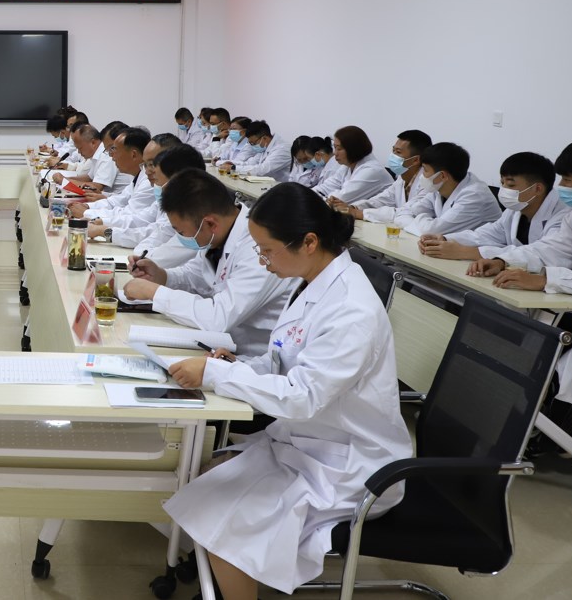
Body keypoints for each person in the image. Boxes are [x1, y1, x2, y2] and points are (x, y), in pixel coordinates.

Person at [162, 182, 413, 599]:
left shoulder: (351, 309)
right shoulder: (313, 282)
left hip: (349, 465)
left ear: (309, 242)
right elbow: (284, 359)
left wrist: (215, 374)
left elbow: (302, 397)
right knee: (208, 479)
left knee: (224, 525)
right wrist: (239, 366)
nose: (262, 262)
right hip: (309, 443)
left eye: (267, 251)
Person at [470, 139, 572, 451]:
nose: (561, 186)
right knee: (531, 350)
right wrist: (503, 261)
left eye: (567, 180)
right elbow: (550, 250)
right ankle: (518, 428)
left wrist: (545, 279)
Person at [124, 170, 296, 357]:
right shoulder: (219, 235)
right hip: (222, 347)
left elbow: (218, 318)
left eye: (181, 232)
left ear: (210, 224)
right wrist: (162, 276)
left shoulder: (259, 249)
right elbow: (196, 276)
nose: (181, 237)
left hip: (252, 357)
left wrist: (154, 292)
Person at [419, 151, 567, 261]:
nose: (504, 190)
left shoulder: (562, 216)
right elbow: (485, 234)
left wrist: (466, 252)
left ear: (538, 189)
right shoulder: (515, 210)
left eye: (511, 185)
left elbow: (539, 253)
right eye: (502, 183)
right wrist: (445, 239)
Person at [384, 142, 501, 235]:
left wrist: (422, 219)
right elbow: (402, 214)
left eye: (425, 170)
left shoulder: (474, 196)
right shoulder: (438, 188)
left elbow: (432, 231)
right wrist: (425, 222)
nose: (421, 175)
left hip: (481, 254)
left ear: (442, 176)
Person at [93, 134, 185, 248]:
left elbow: (156, 235)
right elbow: (140, 219)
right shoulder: (163, 191)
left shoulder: (186, 198)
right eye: (145, 165)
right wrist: (101, 222)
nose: (147, 171)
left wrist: (104, 230)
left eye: (152, 164)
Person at [330, 129, 432, 221]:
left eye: (398, 152)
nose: (393, 155)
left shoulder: (428, 183)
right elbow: (381, 200)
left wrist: (357, 213)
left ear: (415, 160)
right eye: (393, 150)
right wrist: (353, 207)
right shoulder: (401, 178)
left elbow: (406, 212)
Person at [72, 127, 153, 224]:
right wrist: (88, 206)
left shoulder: (149, 182)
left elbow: (129, 215)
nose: (111, 156)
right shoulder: (138, 176)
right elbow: (118, 200)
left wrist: (87, 213)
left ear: (133, 155)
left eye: (114, 150)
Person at [314, 125, 393, 203]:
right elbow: (326, 187)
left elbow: (341, 199)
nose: (335, 153)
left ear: (353, 149)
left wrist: (322, 196)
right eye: (335, 148)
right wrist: (312, 194)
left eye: (339, 149)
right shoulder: (347, 166)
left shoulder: (372, 171)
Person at [51, 123, 119, 195]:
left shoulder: (106, 155)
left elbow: (96, 187)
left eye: (80, 148)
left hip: (115, 199)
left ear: (93, 143)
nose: (79, 152)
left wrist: (64, 180)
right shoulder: (97, 154)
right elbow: (89, 178)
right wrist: (65, 178)